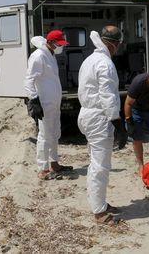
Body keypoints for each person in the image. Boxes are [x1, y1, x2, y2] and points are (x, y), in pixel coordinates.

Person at [77, 26, 127, 224]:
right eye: (119, 44)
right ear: (113, 44)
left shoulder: (90, 60)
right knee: (100, 166)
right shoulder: (105, 63)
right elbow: (107, 96)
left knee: (95, 163)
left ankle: (100, 202)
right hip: (99, 117)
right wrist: (118, 124)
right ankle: (99, 211)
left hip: (87, 114)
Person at [24, 30, 73, 180]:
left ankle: (54, 163)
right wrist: (34, 100)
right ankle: (42, 169)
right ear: (51, 42)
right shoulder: (38, 56)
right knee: (44, 136)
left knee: (54, 133)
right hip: (44, 104)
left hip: (54, 103)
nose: (61, 47)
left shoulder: (50, 54)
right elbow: (29, 80)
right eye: (59, 44)